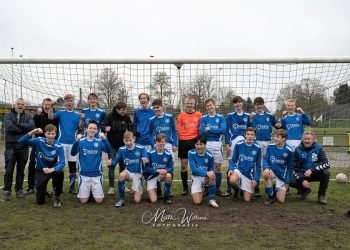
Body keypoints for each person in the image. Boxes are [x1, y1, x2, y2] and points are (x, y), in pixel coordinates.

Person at [18, 125, 65, 206]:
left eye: (53, 134)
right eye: (48, 133)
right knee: (40, 202)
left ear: (55, 134)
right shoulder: (39, 141)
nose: (50, 136)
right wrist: (33, 131)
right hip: (40, 170)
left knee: (60, 172)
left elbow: (62, 163)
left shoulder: (59, 146)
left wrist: (52, 169)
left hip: (52, 169)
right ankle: (43, 189)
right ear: (45, 134)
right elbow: (21, 141)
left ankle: (57, 195)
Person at [71, 120, 112, 204]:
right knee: (83, 201)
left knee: (99, 201)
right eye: (90, 128)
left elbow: (109, 150)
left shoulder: (99, 142)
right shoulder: (81, 142)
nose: (92, 130)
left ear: (97, 131)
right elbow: (73, 153)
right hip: (84, 175)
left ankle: (93, 191)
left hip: (97, 175)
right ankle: (89, 191)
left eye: (94, 129)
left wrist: (105, 139)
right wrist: (76, 141)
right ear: (86, 129)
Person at [1, 98, 35, 201]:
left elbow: (31, 126)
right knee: (9, 170)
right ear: (14, 105)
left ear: (24, 106)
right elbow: (9, 127)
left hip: (23, 147)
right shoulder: (8, 115)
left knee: (21, 171)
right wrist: (24, 129)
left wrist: (18, 124)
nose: (20, 105)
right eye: (18, 104)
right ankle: (6, 192)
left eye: (22, 104)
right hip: (10, 147)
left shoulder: (28, 116)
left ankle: (19, 190)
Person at [48, 93, 82, 194]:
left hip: (73, 144)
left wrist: (83, 118)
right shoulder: (60, 113)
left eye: (71, 100)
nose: (69, 102)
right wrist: (51, 106)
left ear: (73, 101)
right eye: (67, 101)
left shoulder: (78, 115)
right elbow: (50, 117)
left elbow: (81, 128)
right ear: (65, 102)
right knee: (59, 166)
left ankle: (72, 188)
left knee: (72, 167)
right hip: (61, 144)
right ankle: (57, 188)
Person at [250, 97, 281, 197]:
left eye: (260, 104)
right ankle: (257, 188)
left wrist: (282, 120)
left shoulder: (270, 115)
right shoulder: (253, 116)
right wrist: (250, 119)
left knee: (268, 164)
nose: (259, 106)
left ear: (263, 104)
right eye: (257, 104)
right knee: (256, 165)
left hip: (268, 143)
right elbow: (249, 128)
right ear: (255, 106)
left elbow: (277, 126)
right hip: (257, 142)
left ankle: (273, 186)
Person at [107, 131, 148, 207]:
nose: (128, 143)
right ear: (123, 140)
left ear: (134, 139)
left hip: (138, 174)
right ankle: (121, 199)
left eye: (130, 140)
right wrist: (111, 163)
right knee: (122, 175)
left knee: (137, 200)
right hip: (128, 173)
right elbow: (115, 161)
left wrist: (145, 159)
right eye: (126, 141)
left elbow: (146, 157)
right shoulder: (121, 149)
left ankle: (138, 186)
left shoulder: (140, 148)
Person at [26, 98, 58, 195]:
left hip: (51, 145)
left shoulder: (55, 114)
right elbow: (32, 125)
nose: (47, 106)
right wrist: (37, 118)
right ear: (42, 105)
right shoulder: (38, 115)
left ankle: (54, 188)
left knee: (53, 166)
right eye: (46, 104)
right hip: (38, 144)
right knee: (32, 164)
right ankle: (31, 187)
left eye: (49, 104)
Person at [290, 131, 330, 205]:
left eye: (309, 139)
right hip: (302, 174)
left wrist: (312, 169)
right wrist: (302, 179)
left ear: (313, 140)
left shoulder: (319, 149)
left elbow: (327, 163)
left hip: (314, 173)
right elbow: (293, 167)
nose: (306, 141)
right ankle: (304, 189)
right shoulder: (297, 150)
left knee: (326, 173)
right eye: (305, 139)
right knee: (289, 178)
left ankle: (321, 195)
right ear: (302, 140)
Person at [199, 98, 228, 197]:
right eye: (207, 106)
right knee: (206, 167)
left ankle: (217, 189)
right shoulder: (204, 118)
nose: (209, 107)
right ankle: (207, 188)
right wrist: (216, 129)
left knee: (218, 167)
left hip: (217, 144)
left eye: (211, 105)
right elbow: (202, 132)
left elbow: (223, 129)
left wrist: (210, 129)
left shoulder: (220, 117)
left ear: (214, 105)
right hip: (207, 144)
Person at [104, 101, 134, 195]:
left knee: (123, 166)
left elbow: (131, 128)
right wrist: (105, 128)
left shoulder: (126, 117)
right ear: (117, 109)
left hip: (123, 146)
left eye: (125, 110)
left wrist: (135, 134)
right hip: (112, 146)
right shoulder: (109, 116)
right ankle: (111, 187)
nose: (124, 111)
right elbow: (102, 125)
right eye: (122, 110)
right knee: (112, 166)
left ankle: (123, 186)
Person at [225, 96, 251, 196]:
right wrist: (227, 144)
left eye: (239, 102)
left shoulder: (248, 116)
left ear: (242, 103)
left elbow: (250, 130)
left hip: (245, 143)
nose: (238, 104)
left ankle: (242, 188)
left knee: (243, 164)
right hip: (233, 143)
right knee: (230, 164)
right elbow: (227, 130)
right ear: (234, 104)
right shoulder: (230, 115)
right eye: (236, 103)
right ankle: (229, 188)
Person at [228, 127, 261, 202]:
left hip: (249, 174)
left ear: (254, 136)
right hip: (239, 170)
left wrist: (256, 179)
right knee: (232, 180)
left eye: (252, 134)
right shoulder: (239, 144)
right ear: (245, 135)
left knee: (247, 200)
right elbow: (233, 160)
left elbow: (258, 165)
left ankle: (243, 190)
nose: (250, 136)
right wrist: (231, 169)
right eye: (248, 134)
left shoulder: (257, 147)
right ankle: (237, 190)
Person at [177, 96, 202, 195]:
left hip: (194, 141)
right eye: (188, 103)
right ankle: (185, 187)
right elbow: (178, 128)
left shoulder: (199, 115)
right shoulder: (181, 115)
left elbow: (201, 128)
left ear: (194, 104)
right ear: (185, 103)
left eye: (191, 103)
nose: (189, 105)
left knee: (195, 165)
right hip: (183, 141)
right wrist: (183, 136)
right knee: (184, 165)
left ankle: (195, 185)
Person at [262, 130, 294, 205]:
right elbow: (266, 159)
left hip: (282, 174)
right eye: (274, 136)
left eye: (277, 137)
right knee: (266, 174)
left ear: (284, 139)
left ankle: (276, 188)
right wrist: (266, 168)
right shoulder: (270, 146)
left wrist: (287, 181)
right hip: (272, 171)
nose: (275, 138)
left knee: (280, 200)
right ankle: (270, 197)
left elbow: (290, 167)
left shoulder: (289, 150)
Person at [188, 135, 219, 208]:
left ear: (205, 144)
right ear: (195, 145)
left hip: (205, 177)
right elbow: (194, 169)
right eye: (197, 144)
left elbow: (211, 167)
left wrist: (211, 172)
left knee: (212, 175)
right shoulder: (190, 153)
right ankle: (198, 187)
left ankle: (212, 199)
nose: (199, 147)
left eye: (201, 144)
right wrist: (206, 173)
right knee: (197, 202)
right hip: (196, 177)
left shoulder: (210, 155)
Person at [145, 134, 174, 204]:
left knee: (169, 175)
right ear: (156, 142)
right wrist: (157, 171)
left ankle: (166, 197)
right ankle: (155, 189)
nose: (161, 143)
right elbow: (146, 168)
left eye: (163, 141)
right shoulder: (149, 153)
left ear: (165, 142)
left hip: (162, 175)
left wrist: (166, 171)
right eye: (159, 141)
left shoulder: (168, 154)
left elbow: (171, 168)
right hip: (152, 176)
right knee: (153, 200)